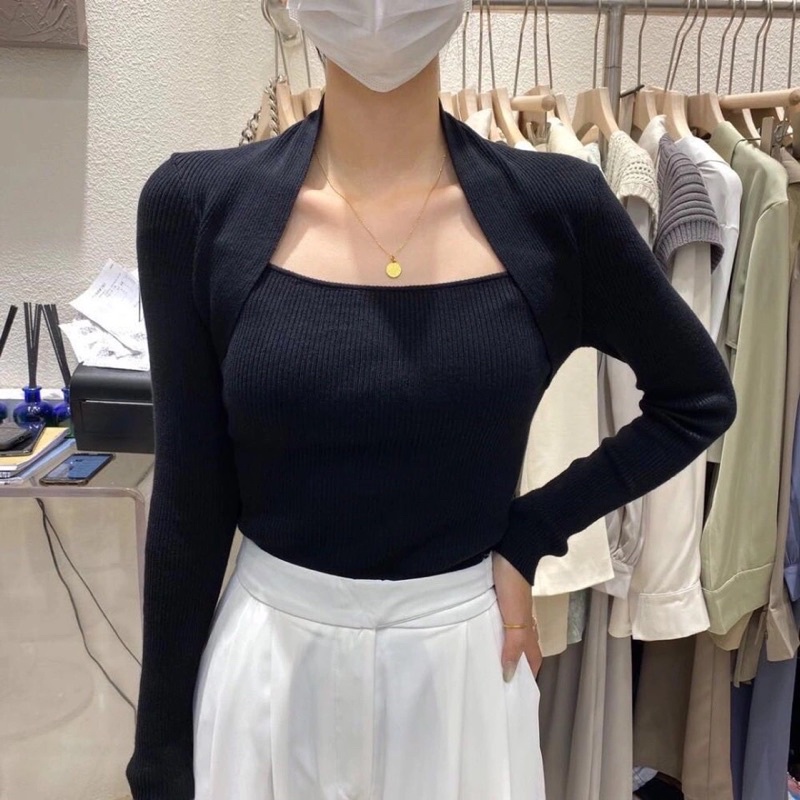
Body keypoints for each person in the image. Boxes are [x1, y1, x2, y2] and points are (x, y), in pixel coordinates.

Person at [125, 1, 738, 798]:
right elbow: (190, 502)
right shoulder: (197, 206)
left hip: (462, 671)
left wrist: (532, 532)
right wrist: (159, 762)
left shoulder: (556, 210)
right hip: (270, 667)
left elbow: (696, 398)